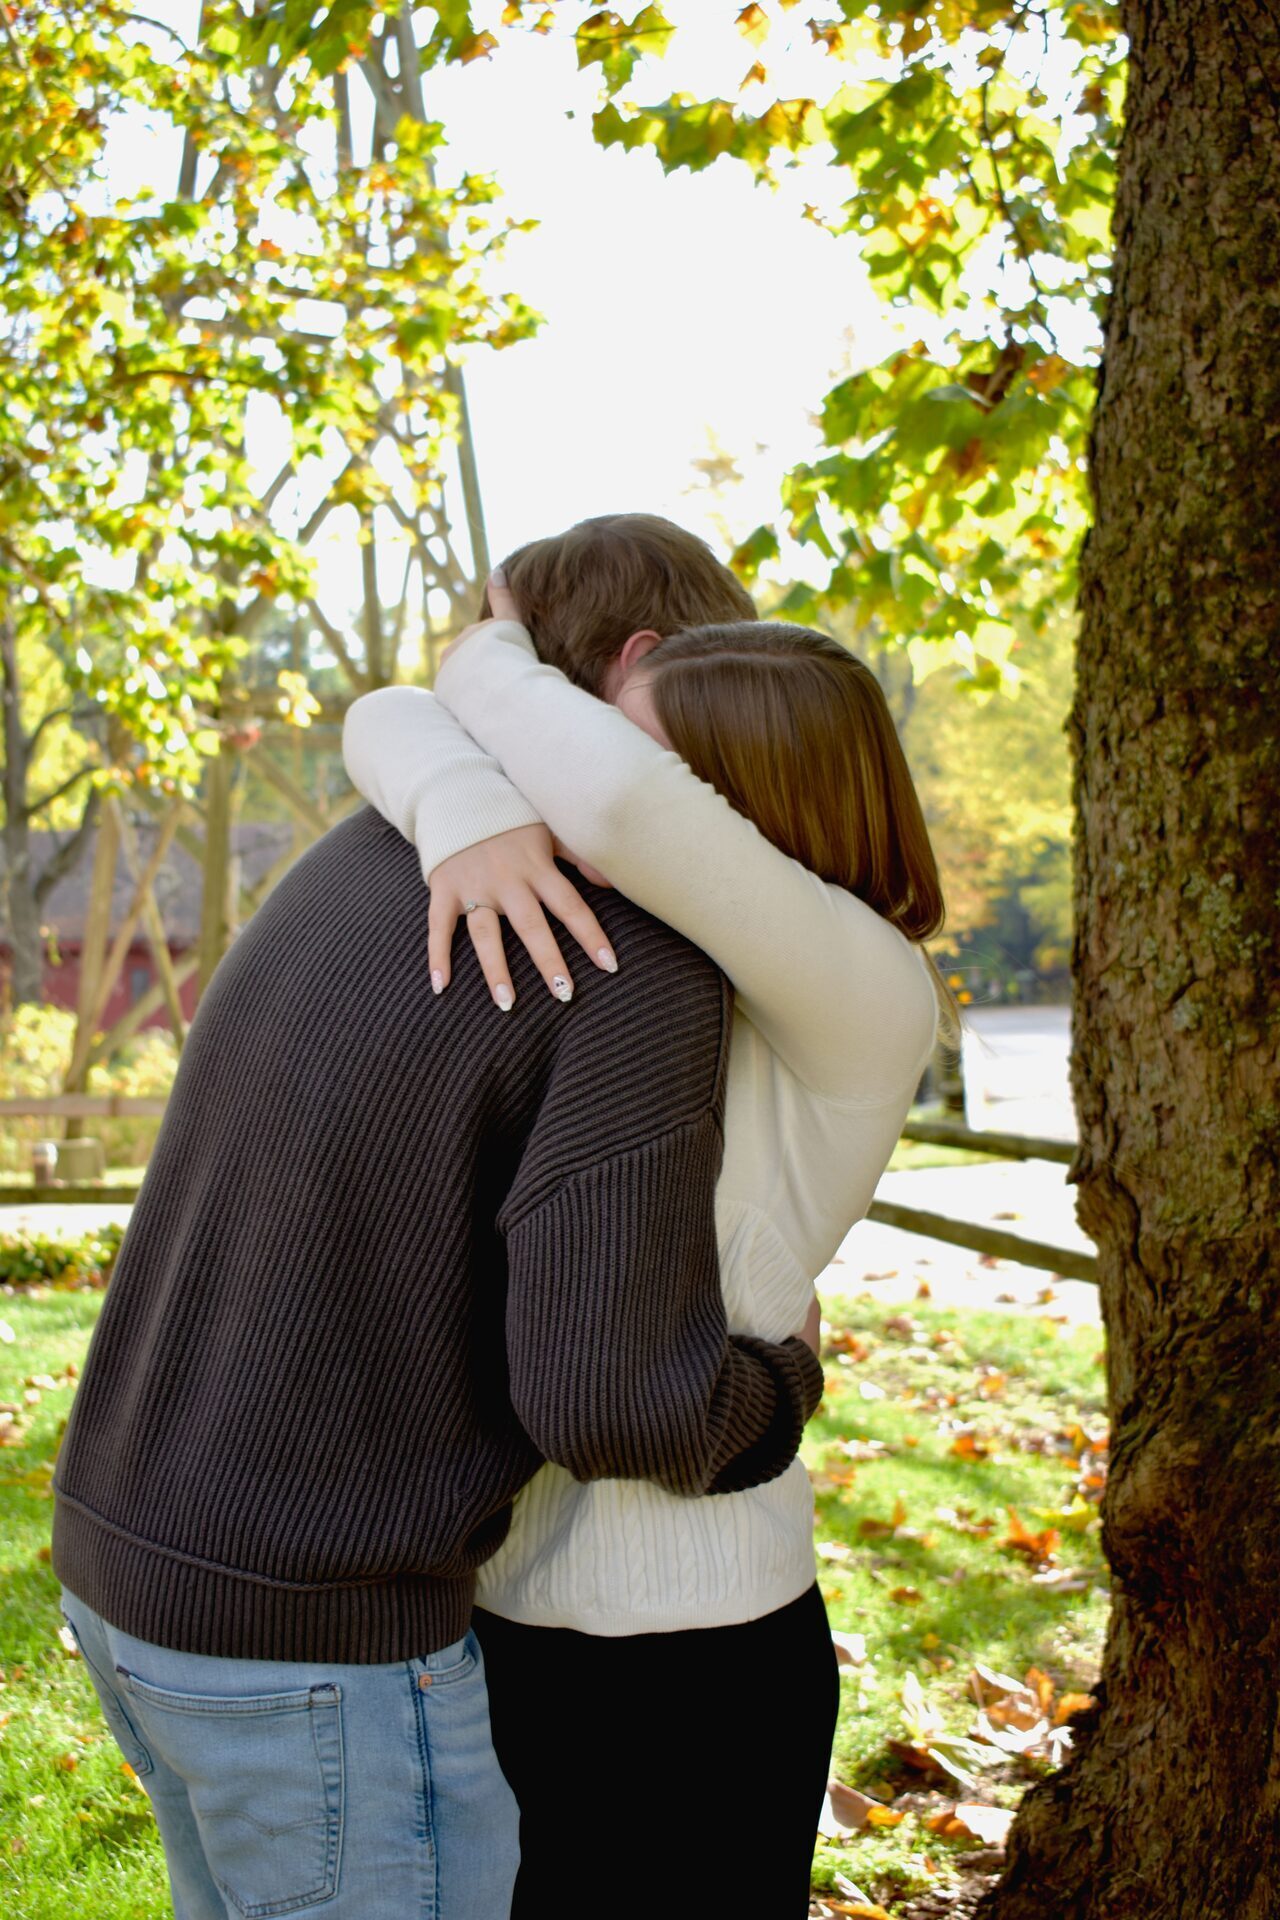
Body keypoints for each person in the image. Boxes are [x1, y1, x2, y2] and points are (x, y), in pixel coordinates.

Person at [50, 690, 826, 1918]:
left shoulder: (374, 850)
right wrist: (783, 1381)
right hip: (310, 1640)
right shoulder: (636, 963)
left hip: (123, 1560)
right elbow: (613, 1403)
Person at [343, 512, 948, 1916]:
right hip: (509, 1609)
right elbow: (393, 720)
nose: (565, 785)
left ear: (739, 805)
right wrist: (458, 801)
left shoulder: (860, 986)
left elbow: (614, 803)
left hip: (700, 1644)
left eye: (619, 744)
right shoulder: (660, 967)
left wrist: (492, 635)